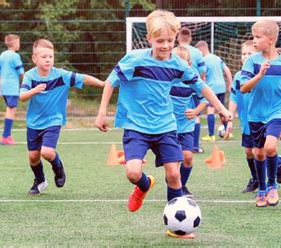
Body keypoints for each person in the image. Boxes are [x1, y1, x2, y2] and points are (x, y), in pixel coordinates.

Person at [95, 10, 231, 238]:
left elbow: (201, 87)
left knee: (174, 175)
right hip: (137, 126)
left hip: (166, 126)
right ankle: (144, 185)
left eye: (170, 40)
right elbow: (110, 82)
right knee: (132, 172)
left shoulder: (177, 64)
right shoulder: (135, 60)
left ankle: (177, 228)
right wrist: (101, 113)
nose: (166, 45)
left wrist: (221, 108)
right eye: (160, 41)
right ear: (149, 39)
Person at [20, 39, 104, 195]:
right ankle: (40, 180)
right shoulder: (30, 76)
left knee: (47, 152)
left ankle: (58, 168)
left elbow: (83, 78)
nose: (48, 60)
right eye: (44, 56)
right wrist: (35, 90)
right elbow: (22, 96)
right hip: (33, 123)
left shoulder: (61, 75)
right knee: (33, 156)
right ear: (34, 59)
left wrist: (103, 84)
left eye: (50, 57)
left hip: (53, 120)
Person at [240, 20, 281, 207]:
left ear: (270, 39)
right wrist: (259, 75)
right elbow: (244, 88)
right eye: (253, 36)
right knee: (259, 153)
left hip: (277, 111)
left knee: (270, 147)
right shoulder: (252, 61)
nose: (253, 40)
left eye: (257, 37)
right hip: (256, 113)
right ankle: (261, 190)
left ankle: (272, 186)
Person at [227, 41, 281, 194]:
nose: (246, 57)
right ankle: (257, 179)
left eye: (250, 54)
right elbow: (234, 97)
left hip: (265, 117)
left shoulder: (268, 75)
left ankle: (276, 167)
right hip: (248, 120)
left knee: (261, 151)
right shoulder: (239, 76)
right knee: (249, 151)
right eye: (243, 54)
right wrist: (229, 119)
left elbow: (277, 100)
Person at [171, 45, 207, 198]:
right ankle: (174, 184)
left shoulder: (193, 80)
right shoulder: (166, 80)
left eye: (182, 63)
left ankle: (182, 186)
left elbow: (205, 99)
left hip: (186, 126)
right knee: (172, 162)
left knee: (188, 157)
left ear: (189, 64)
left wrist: (196, 111)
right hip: (168, 126)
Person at [176, 27, 207, 154]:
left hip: (189, 88)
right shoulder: (198, 52)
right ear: (190, 38)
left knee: (190, 114)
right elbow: (203, 72)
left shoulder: (173, 52)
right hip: (195, 85)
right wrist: (202, 84)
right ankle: (195, 145)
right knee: (194, 115)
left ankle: (188, 144)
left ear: (178, 38)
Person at [195, 40, 233, 141]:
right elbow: (227, 70)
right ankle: (228, 132)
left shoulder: (203, 60)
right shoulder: (217, 58)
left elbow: (202, 74)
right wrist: (230, 83)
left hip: (212, 88)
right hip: (222, 87)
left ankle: (211, 135)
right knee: (221, 110)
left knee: (210, 110)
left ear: (201, 49)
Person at [0, 34, 24, 145]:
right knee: (11, 110)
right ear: (14, 43)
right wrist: (28, 84)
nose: (19, 44)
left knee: (9, 109)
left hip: (3, 86)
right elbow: (21, 73)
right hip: (12, 86)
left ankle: (6, 135)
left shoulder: (2, 55)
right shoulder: (15, 56)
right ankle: (5, 136)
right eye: (18, 42)